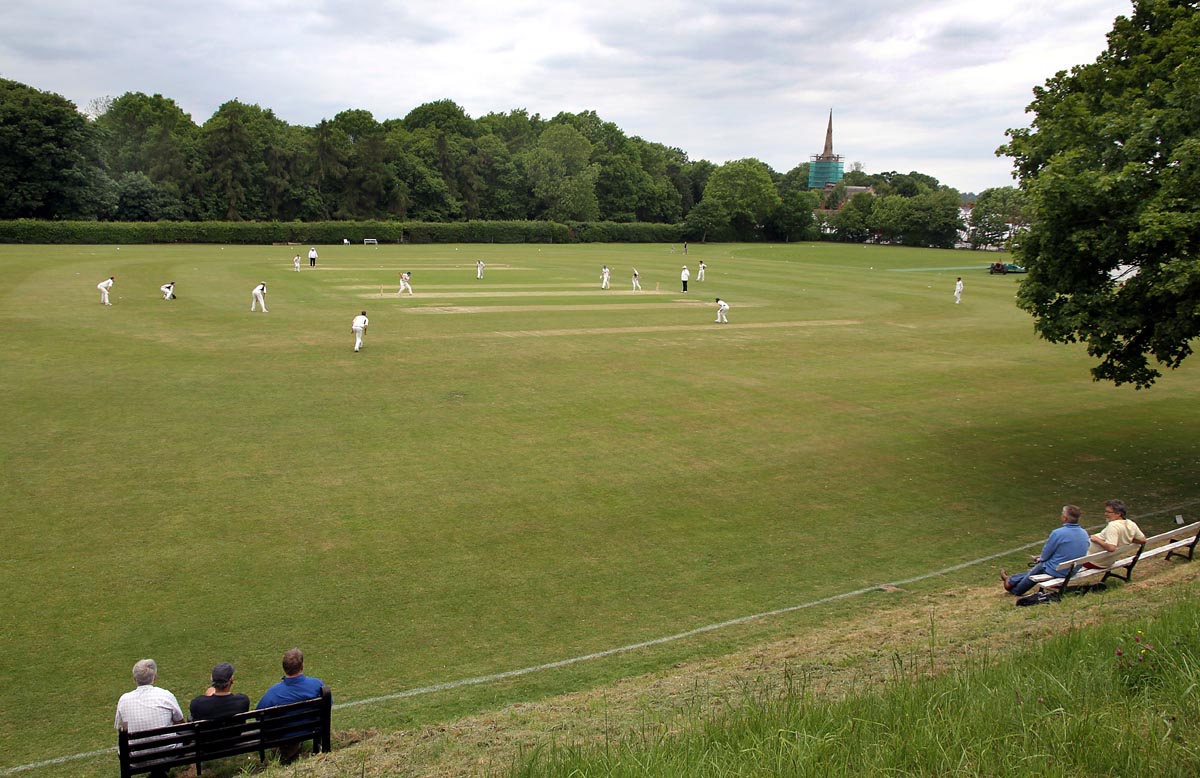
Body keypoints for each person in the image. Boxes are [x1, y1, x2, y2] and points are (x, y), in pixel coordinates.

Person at [1000, 505, 1090, 595]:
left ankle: (1012, 585)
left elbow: (1046, 554)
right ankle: (1011, 579)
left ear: (1064, 518)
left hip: (1058, 570)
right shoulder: (1084, 533)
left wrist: (1040, 559)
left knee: (1040, 567)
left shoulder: (1058, 533)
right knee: (1041, 567)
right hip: (1072, 570)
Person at [115, 658, 185, 733]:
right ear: (155, 677)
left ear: (134, 679)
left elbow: (120, 727)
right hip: (168, 744)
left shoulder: (124, 700)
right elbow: (180, 724)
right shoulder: (166, 696)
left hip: (136, 745)